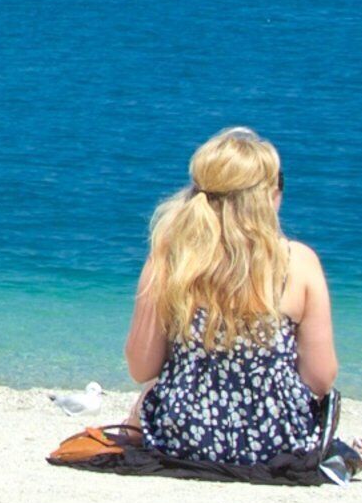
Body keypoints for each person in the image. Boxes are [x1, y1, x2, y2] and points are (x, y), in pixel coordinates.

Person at [121, 127, 338, 465]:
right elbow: (320, 378)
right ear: (269, 197)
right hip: (277, 442)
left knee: (147, 397)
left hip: (182, 437)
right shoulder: (299, 262)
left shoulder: (170, 259)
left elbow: (141, 366)